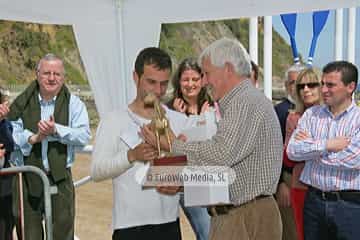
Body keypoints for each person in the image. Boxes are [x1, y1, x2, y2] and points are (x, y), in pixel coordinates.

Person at [141, 38, 283, 240]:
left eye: (206, 73)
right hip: (239, 214)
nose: (204, 81)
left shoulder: (243, 102)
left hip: (242, 216)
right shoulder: (244, 101)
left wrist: (173, 144)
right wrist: (183, 183)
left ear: (227, 69)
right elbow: (231, 172)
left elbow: (221, 154)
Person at [91, 47, 187, 240]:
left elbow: (197, 172)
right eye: (151, 82)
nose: (158, 91)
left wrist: (181, 182)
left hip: (169, 226)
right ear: (136, 77)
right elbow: (96, 171)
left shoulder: (179, 120)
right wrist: (131, 156)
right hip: (129, 228)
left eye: (163, 84)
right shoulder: (113, 121)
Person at [8, 53, 91, 240]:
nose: (52, 78)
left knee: (63, 233)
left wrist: (56, 130)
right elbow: (10, 132)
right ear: (37, 74)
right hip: (26, 179)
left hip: (61, 178)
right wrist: (33, 138)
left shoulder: (75, 104)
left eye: (57, 74)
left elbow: (84, 135)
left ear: (63, 77)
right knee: (29, 235)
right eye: (46, 73)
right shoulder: (21, 103)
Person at [287, 61, 360, 240]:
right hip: (314, 202)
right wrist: (328, 145)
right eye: (323, 84)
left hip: (350, 207)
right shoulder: (311, 115)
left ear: (351, 87)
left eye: (331, 85)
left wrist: (313, 152)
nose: (324, 90)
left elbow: (354, 160)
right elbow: (292, 151)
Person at [167, 58, 211, 240]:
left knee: (208, 233)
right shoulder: (169, 109)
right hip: (178, 178)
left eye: (195, 79)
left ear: (202, 80)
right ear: (178, 81)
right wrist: (179, 118)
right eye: (186, 79)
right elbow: (170, 146)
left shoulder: (212, 107)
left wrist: (202, 120)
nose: (190, 84)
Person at [283, 68, 322, 240]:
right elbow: (289, 156)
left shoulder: (333, 116)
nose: (306, 89)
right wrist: (319, 145)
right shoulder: (293, 118)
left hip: (327, 188)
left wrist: (305, 144)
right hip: (300, 186)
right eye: (301, 86)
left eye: (312, 85)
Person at [274, 63, 306, 240]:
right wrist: (281, 183)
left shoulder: (315, 110)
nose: (297, 87)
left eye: (300, 82)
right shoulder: (279, 111)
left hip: (311, 182)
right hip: (288, 179)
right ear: (286, 86)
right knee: (291, 232)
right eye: (292, 82)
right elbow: (273, 151)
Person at [0, 91, 15, 240]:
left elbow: (10, 145)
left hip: (4, 188)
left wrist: (1, 121)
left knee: (5, 232)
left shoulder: (6, 123)